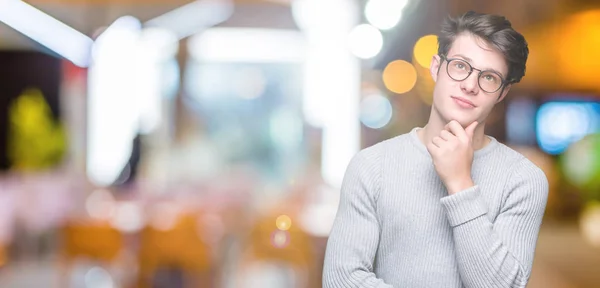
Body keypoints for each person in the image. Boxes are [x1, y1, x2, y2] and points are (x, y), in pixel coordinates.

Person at [323, 11, 548, 288]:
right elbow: (341, 279)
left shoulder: (524, 180)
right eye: (460, 66)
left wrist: (460, 184)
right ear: (436, 67)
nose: (469, 85)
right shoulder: (371, 166)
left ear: (502, 93)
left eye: (489, 77)